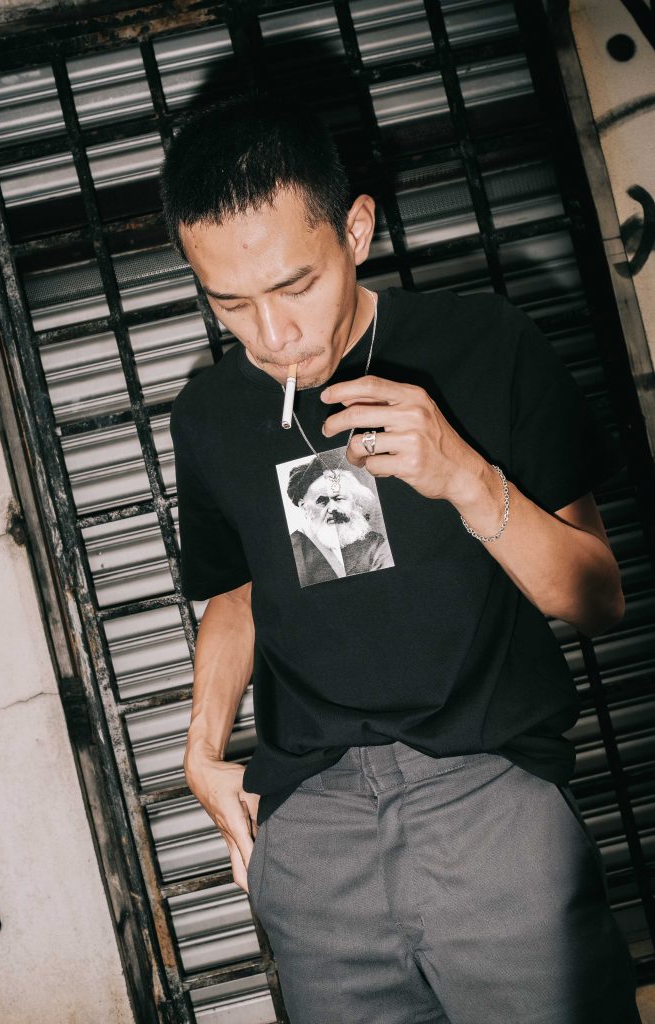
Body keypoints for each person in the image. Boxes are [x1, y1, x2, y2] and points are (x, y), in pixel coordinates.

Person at [162, 94, 640, 1023]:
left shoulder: (487, 345)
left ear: (356, 229)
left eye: (295, 286)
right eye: (230, 304)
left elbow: (598, 597)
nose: (272, 335)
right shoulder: (209, 415)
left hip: (487, 793)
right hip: (313, 827)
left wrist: (464, 476)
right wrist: (201, 750)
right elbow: (239, 593)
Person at [285, 456, 394, 585]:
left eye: (338, 499)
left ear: (354, 502)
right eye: (322, 501)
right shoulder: (294, 550)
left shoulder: (374, 544)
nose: (332, 508)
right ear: (304, 507)